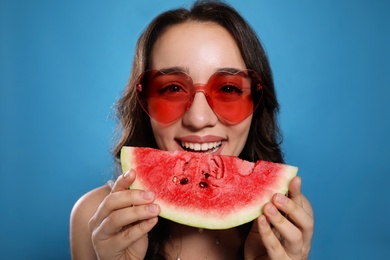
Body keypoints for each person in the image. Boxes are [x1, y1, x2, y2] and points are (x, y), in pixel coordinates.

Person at [70, 1, 314, 259]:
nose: (198, 118)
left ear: (257, 102)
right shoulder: (96, 218)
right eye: (172, 88)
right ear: (143, 103)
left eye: (229, 89)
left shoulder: (286, 218)